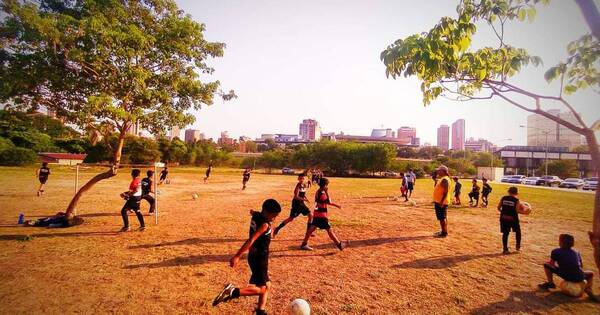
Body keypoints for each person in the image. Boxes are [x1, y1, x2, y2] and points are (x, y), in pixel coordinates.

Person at [212, 199, 282, 315]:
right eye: (273, 215)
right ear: (266, 211)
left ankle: (260, 311)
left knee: (267, 284)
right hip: (260, 259)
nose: (274, 218)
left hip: (254, 257)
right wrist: (237, 256)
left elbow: (254, 213)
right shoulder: (264, 225)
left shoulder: (257, 216)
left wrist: (252, 212)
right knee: (263, 288)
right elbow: (251, 240)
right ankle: (232, 291)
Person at [538, 234, 597, 301]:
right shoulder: (576, 252)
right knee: (591, 273)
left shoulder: (556, 251)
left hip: (566, 275)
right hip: (580, 276)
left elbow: (551, 264)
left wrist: (561, 266)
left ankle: (550, 283)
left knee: (546, 265)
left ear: (561, 242)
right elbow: (581, 266)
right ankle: (588, 289)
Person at [300, 178, 344, 251]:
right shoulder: (322, 193)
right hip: (321, 215)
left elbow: (325, 202)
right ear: (325, 185)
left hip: (317, 214)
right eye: (327, 185)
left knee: (311, 229)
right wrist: (327, 192)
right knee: (329, 230)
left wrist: (336, 205)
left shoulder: (319, 191)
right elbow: (329, 201)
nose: (327, 187)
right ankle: (339, 245)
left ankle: (304, 244)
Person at [497, 186, 530, 254]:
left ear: (509, 191)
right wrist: (525, 212)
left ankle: (505, 249)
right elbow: (517, 210)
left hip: (503, 218)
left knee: (505, 233)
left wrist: (503, 212)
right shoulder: (516, 200)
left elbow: (498, 207)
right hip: (513, 219)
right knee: (518, 232)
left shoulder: (503, 198)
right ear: (516, 193)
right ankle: (518, 247)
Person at [432, 165, 450, 237]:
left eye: (439, 170)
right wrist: (435, 179)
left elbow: (446, 191)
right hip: (439, 201)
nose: (438, 172)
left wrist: (441, 201)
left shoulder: (445, 179)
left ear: (443, 171)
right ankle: (443, 231)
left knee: (442, 218)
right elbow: (437, 187)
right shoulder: (442, 179)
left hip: (441, 202)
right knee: (443, 217)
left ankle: (444, 233)